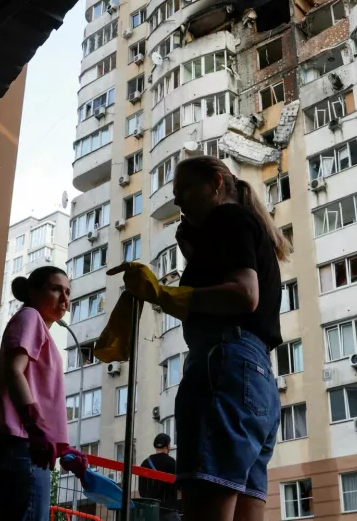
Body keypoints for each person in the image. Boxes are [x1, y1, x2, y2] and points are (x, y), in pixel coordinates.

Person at [109, 156, 291, 521]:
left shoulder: (228, 217)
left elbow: (244, 295)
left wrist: (163, 294)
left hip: (223, 366)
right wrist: (194, 253)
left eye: (185, 190)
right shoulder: (249, 229)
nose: (178, 200)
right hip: (256, 380)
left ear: (215, 183)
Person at [0, 266, 86, 521]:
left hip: (16, 450)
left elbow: (32, 386)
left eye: (68, 292)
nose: (64, 298)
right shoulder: (30, 317)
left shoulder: (37, 328)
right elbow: (14, 371)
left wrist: (60, 447)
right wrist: (35, 428)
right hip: (21, 450)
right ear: (32, 292)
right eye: (56, 289)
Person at [139, 433, 179, 520]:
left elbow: (141, 491)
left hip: (150, 511)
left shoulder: (145, 463)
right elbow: (179, 486)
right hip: (169, 510)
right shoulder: (172, 463)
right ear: (168, 446)